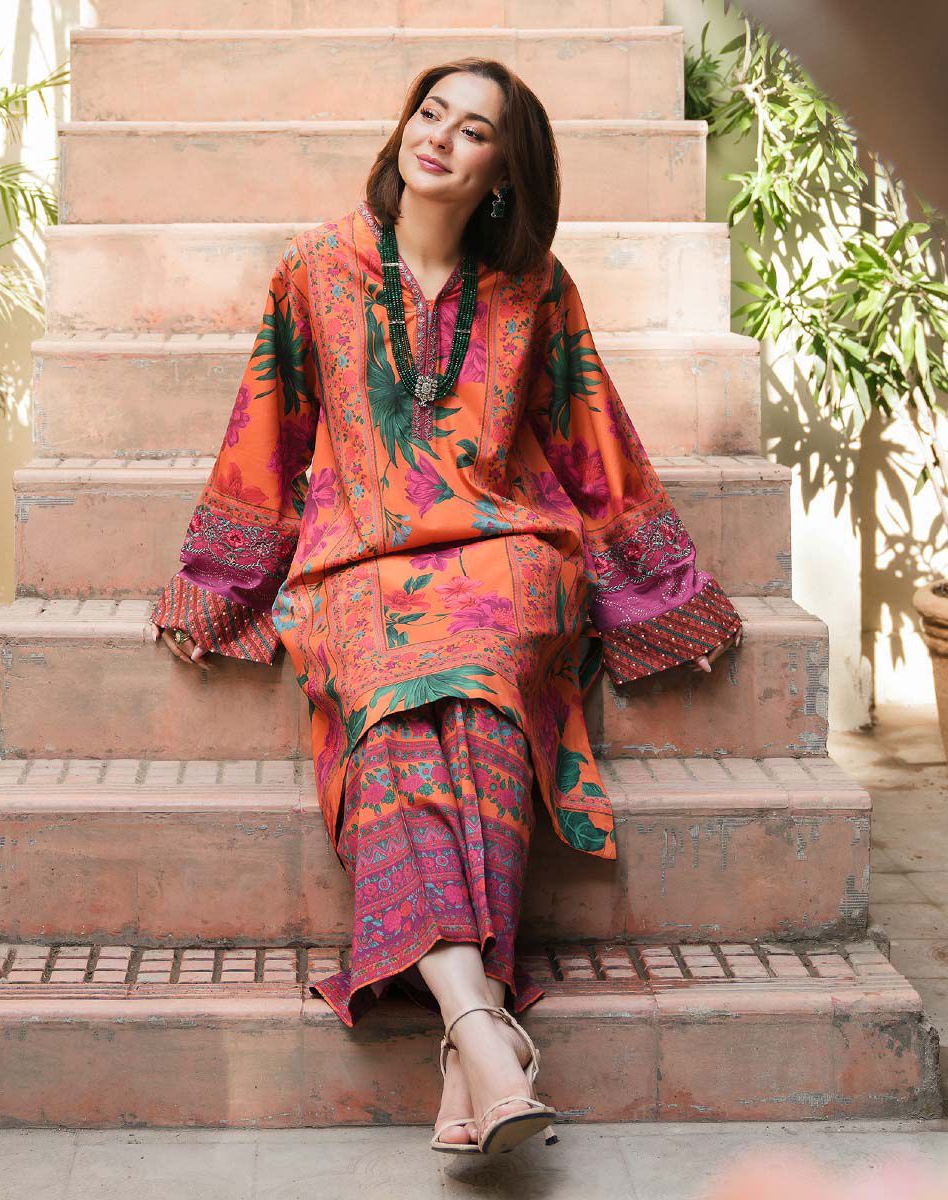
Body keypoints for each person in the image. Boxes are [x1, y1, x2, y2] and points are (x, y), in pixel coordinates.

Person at [149, 58, 742, 1155]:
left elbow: (589, 435)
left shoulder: (536, 287)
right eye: (430, 114)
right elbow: (268, 430)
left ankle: (469, 1035)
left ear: (503, 172)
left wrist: (659, 590)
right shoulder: (313, 268)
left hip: (507, 550)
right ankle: (483, 1035)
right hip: (355, 562)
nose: (439, 138)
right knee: (396, 718)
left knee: (481, 688)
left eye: (472, 131)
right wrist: (225, 581)